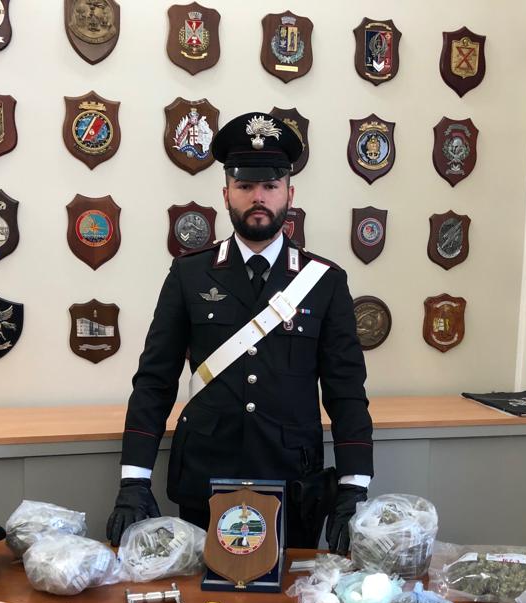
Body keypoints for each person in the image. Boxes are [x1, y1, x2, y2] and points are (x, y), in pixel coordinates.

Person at [106, 111, 374, 554]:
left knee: (292, 596)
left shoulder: (324, 281)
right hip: (206, 477)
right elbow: (155, 380)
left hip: (292, 482)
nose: (258, 197)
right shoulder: (189, 274)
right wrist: (133, 480)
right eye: (245, 186)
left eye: (270, 185)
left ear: (289, 193)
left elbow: (346, 392)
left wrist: (353, 487)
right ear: (226, 193)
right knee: (199, 593)